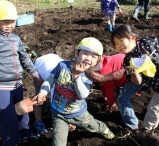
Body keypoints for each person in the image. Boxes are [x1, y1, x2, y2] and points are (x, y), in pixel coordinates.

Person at [33, 37, 115, 146]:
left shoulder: (88, 75)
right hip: (58, 114)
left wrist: (76, 76)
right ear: (77, 53)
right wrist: (43, 92)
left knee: (93, 126)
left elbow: (83, 94)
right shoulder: (62, 66)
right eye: (85, 53)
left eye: (93, 56)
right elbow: (49, 81)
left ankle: (104, 130)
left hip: (78, 113)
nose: (88, 58)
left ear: (97, 61)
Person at [0, 1, 43, 145]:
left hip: (17, 84)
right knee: (8, 116)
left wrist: (35, 74)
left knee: (22, 110)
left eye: (12, 22)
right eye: (5, 22)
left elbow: (24, 58)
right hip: (2, 86)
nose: (10, 25)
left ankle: (25, 134)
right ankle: (9, 141)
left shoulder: (15, 38)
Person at [33, 54, 64, 135]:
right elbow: (56, 108)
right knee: (40, 96)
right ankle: (38, 121)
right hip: (40, 65)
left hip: (53, 60)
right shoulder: (57, 87)